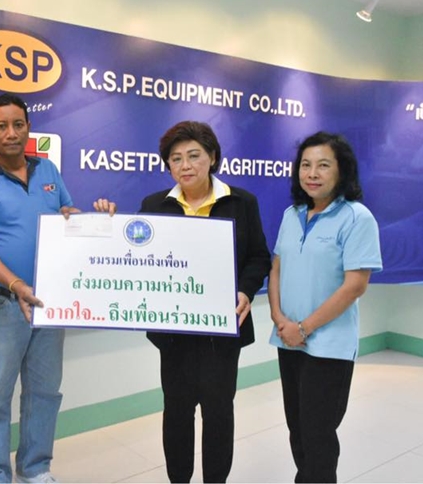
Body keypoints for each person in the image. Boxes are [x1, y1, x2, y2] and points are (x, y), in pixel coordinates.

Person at [0, 93, 115, 484]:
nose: (11, 133)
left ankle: (34, 468)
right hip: (2, 303)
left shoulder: (48, 171)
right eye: (2, 126)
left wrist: (94, 221)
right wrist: (15, 284)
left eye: (18, 124)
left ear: (29, 127)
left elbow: (66, 216)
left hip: (50, 301)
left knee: (45, 392)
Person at [138, 121, 271, 483]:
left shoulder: (242, 202)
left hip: (222, 331)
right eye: (176, 158)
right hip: (174, 333)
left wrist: (245, 291)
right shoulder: (154, 205)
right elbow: (138, 258)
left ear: (212, 157)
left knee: (219, 412)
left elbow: (259, 257)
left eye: (194, 156)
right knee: (176, 412)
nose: (185, 165)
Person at [268, 131, 382, 483]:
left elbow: (355, 285)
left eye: (323, 165)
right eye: (305, 165)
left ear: (341, 170)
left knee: (318, 434)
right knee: (297, 428)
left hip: (328, 346)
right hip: (288, 339)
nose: (312, 173)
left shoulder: (357, 217)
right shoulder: (292, 214)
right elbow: (277, 267)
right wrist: (279, 318)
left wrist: (304, 327)